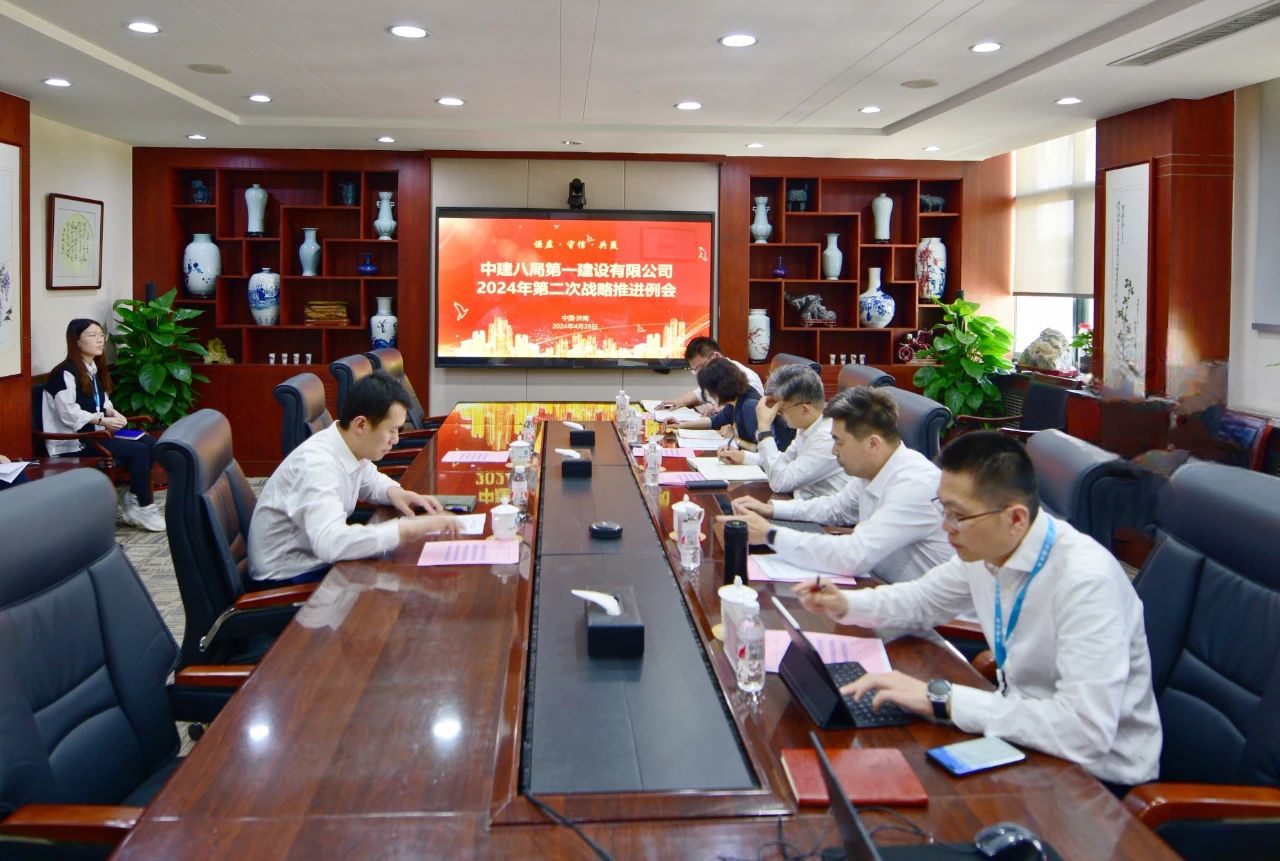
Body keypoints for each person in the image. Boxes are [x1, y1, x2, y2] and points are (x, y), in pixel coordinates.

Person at [796, 431, 1162, 789]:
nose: (946, 527)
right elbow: (921, 600)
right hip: (1019, 730)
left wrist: (940, 699)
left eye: (958, 515)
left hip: (1097, 776)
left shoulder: (1086, 581)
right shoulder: (987, 547)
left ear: (1016, 518)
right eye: (943, 509)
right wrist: (845, 603)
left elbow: (1086, 731)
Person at [248, 371, 460, 586]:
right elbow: (331, 543)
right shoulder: (317, 466)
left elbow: (371, 480)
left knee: (407, 571)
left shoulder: (346, 444)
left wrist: (396, 493)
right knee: (406, 580)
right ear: (361, 425)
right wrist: (408, 529)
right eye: (392, 430)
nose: (396, 440)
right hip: (288, 578)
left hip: (315, 558)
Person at [725, 386, 951, 582]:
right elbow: (836, 508)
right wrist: (771, 509)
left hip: (921, 612)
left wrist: (770, 534)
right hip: (878, 584)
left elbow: (854, 555)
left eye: (839, 442)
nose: (834, 451)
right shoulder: (874, 469)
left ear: (873, 444)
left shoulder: (914, 485)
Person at [42, 318, 164, 531]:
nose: (100, 340)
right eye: (92, 336)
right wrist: (102, 420)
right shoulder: (63, 373)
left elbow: (103, 402)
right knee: (138, 451)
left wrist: (114, 414)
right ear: (76, 341)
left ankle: (133, 496)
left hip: (96, 434)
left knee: (150, 443)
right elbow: (68, 413)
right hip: (75, 442)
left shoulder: (91, 369)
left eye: (101, 336)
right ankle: (144, 507)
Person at [716, 364, 847, 499]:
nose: (779, 415)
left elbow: (779, 482)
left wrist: (764, 429)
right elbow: (784, 461)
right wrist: (743, 457)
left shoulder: (827, 437)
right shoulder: (808, 424)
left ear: (804, 409)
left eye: (781, 410)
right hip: (802, 504)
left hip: (818, 510)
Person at [670, 357, 793, 450]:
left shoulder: (749, 406)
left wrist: (734, 438)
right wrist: (681, 425)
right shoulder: (735, 400)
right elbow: (714, 421)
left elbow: (762, 449)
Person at [657, 337, 763, 415]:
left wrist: (719, 409)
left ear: (715, 356)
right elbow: (700, 394)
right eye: (694, 370)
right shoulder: (716, 376)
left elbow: (751, 416)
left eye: (700, 367)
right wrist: (679, 402)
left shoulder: (747, 380)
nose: (699, 374)